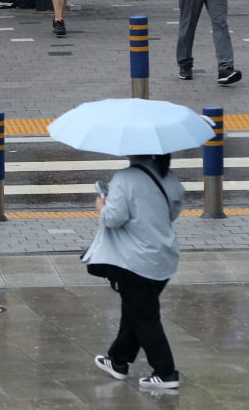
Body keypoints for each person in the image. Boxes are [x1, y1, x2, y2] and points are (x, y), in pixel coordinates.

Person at [83, 154, 186, 390]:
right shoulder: (168, 176)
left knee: (144, 318)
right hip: (164, 255)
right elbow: (172, 211)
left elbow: (113, 218)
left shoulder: (125, 178)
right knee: (136, 310)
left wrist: (102, 205)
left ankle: (166, 373)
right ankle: (118, 360)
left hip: (135, 259)